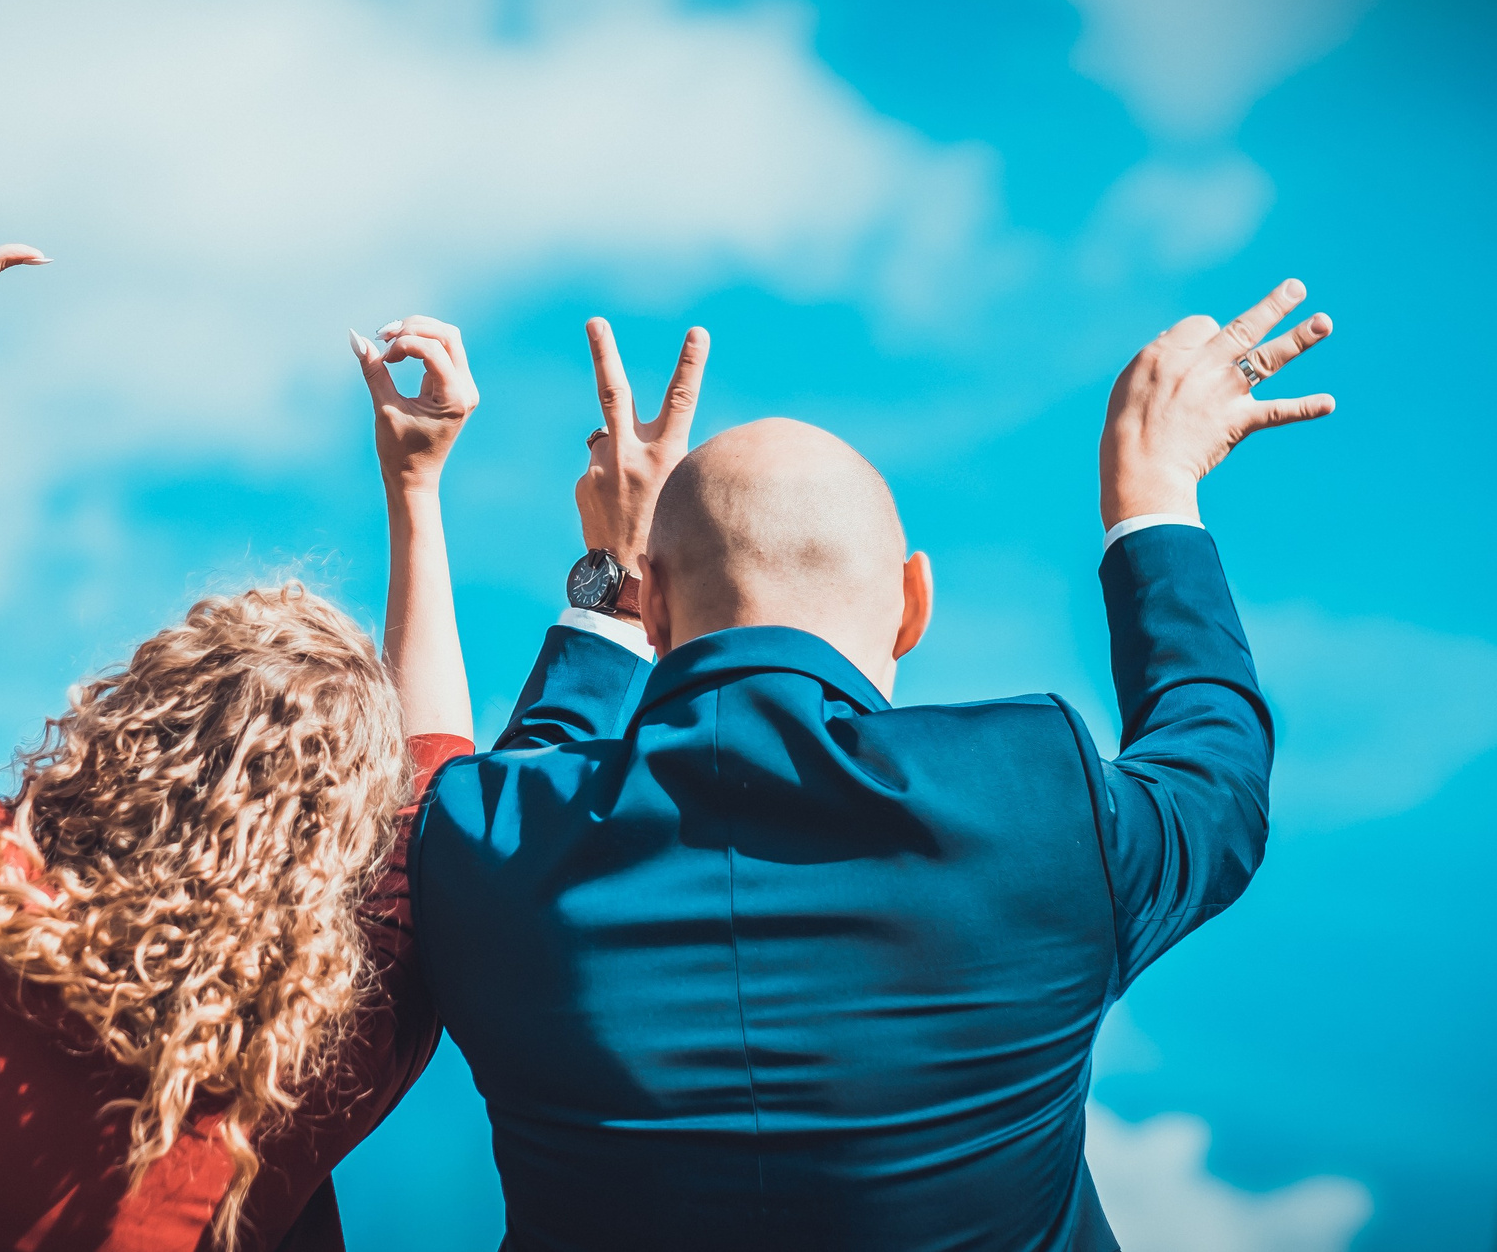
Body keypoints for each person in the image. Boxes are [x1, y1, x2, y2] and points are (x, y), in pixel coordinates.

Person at [413, 293, 1336, 1249]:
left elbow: (513, 795)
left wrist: (610, 574)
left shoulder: (488, 844)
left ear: (654, 620)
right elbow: (1214, 769)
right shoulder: (1040, 801)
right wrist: (1151, 498)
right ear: (913, 605)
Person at [0, 119, 481, 1252]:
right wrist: (417, 495)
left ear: (134, 717)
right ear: (340, 828)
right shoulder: (338, 1040)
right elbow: (436, 801)